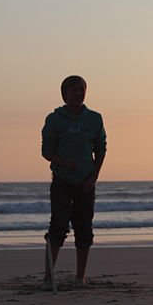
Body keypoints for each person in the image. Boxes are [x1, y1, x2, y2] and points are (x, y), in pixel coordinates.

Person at [41, 75, 107, 290]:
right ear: (65, 94)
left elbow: (101, 149)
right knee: (58, 227)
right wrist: (63, 162)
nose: (78, 93)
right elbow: (46, 151)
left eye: (81, 89)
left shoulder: (95, 118)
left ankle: (80, 277)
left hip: (85, 182)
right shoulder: (54, 119)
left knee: (84, 229)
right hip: (62, 180)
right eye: (74, 90)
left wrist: (93, 177)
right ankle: (49, 278)